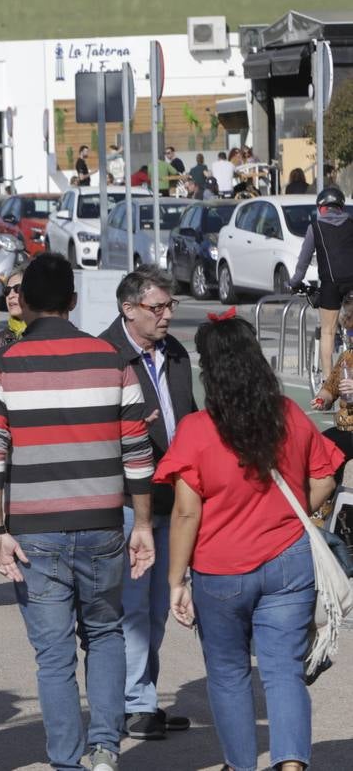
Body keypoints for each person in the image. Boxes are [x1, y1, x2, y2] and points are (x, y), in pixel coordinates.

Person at [0, 252, 156, 771]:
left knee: (53, 655)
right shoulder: (112, 359)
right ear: (74, 302)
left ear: (23, 301)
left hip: (34, 530)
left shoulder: (2, 365)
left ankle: (66, 760)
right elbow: (137, 451)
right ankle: (105, 748)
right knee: (104, 634)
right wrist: (141, 523)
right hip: (103, 522)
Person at [156, 313, 342, 771]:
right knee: (283, 672)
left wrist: (176, 579)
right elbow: (325, 479)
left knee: (228, 673)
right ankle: (293, 763)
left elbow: (185, 511)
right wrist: (292, 507)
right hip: (288, 560)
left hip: (221, 570)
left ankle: (241, 765)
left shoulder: (198, 429)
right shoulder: (288, 414)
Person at [100, 268, 197, 741]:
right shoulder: (105, 355)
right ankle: (133, 703)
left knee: (160, 604)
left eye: (170, 305)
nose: (166, 316)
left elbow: (189, 414)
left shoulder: (175, 352)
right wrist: (132, 426)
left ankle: (143, 697)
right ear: (128, 309)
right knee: (133, 608)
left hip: (174, 497)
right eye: (157, 308)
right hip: (126, 500)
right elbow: (92, 435)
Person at [291, 186, 353, 380]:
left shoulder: (315, 228)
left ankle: (327, 382)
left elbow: (303, 261)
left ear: (321, 208)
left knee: (327, 331)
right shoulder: (352, 224)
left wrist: (294, 282)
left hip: (330, 285)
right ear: (341, 207)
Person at [309, 291, 353, 465]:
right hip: (344, 427)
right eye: (349, 333)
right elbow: (331, 387)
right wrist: (322, 399)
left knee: (326, 454)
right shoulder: (347, 358)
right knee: (315, 445)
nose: (349, 338)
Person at [0, 266, 26, 353]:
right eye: (7, 290)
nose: (10, 295)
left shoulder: (46, 334)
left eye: (18, 289)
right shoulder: (0, 339)